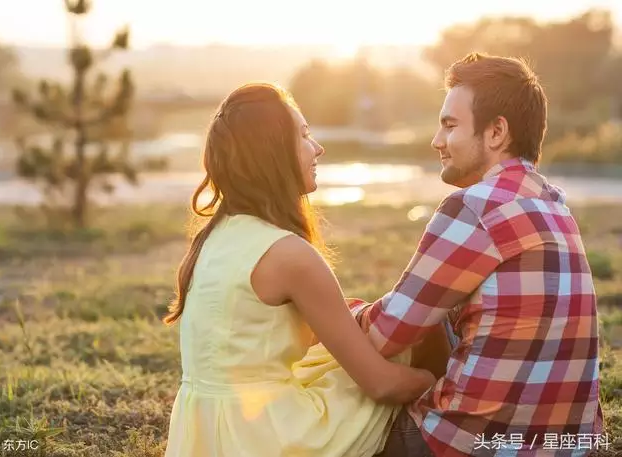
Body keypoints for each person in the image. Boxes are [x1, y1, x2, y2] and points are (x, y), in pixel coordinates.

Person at [349, 53, 604, 457]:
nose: (437, 140)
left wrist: (342, 313)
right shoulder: (556, 205)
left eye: (450, 125)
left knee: (337, 420)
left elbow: (383, 336)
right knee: (434, 316)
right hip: (568, 446)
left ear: (496, 132)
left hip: (469, 445)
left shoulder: (475, 207)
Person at [162, 82, 435, 457]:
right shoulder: (289, 253)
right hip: (269, 437)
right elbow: (382, 385)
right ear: (272, 153)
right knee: (409, 349)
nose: (318, 147)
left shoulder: (213, 239)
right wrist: (437, 380)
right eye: (305, 135)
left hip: (207, 432)